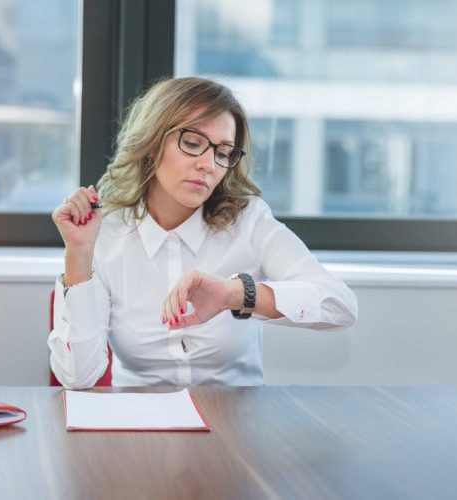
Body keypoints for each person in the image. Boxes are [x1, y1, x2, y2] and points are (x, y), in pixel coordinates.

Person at [49, 77, 358, 389]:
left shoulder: (248, 221)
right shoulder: (107, 233)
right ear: (153, 146)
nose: (209, 165)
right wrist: (79, 254)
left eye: (223, 153)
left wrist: (237, 294)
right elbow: (78, 377)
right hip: (140, 423)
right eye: (193, 144)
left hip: (236, 423)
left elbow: (340, 306)